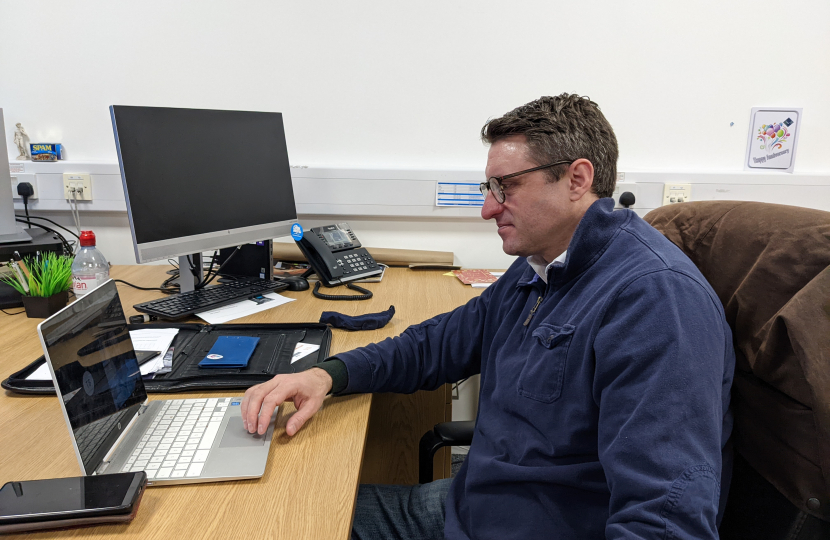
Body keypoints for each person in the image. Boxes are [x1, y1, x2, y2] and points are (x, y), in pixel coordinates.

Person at [242, 94, 735, 540]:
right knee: (271, 515)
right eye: (488, 187)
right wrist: (326, 375)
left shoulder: (655, 301)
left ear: (577, 179)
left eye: (505, 187)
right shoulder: (540, 265)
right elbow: (436, 345)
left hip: (536, 525)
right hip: (471, 506)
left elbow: (666, 520)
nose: (486, 208)